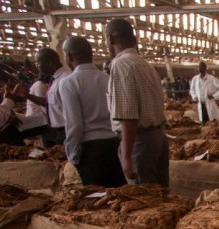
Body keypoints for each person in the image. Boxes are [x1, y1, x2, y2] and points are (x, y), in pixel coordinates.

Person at [106, 18, 168, 186]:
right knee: (161, 196)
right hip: (157, 138)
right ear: (133, 40)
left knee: (145, 199)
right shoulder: (145, 64)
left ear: (110, 39)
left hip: (139, 142)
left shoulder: (120, 64)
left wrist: (126, 156)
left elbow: (128, 114)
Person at [58, 36, 125, 187]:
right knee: (117, 195)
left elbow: (74, 124)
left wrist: (73, 155)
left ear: (68, 56)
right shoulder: (107, 78)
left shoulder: (69, 83)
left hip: (91, 150)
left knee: (97, 200)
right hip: (114, 145)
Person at [24, 48, 71, 147]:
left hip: (65, 131)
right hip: (54, 130)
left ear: (48, 62)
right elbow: (49, 102)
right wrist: (25, 95)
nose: (37, 67)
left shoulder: (65, 79)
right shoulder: (55, 79)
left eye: (38, 63)